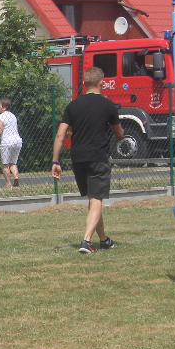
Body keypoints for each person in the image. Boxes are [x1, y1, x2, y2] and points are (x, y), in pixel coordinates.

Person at [51, 66, 124, 253]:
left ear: (84, 84)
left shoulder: (72, 105)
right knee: (97, 199)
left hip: (78, 158)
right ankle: (86, 241)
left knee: (93, 201)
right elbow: (119, 135)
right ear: (102, 83)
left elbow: (60, 135)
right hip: (97, 157)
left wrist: (55, 162)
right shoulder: (108, 105)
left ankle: (104, 240)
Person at [0, 98, 23, 188]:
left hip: (7, 142)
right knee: (13, 163)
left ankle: (8, 184)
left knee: (5, 164)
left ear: (4, 107)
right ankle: (16, 177)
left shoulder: (1, 117)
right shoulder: (13, 116)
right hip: (17, 141)